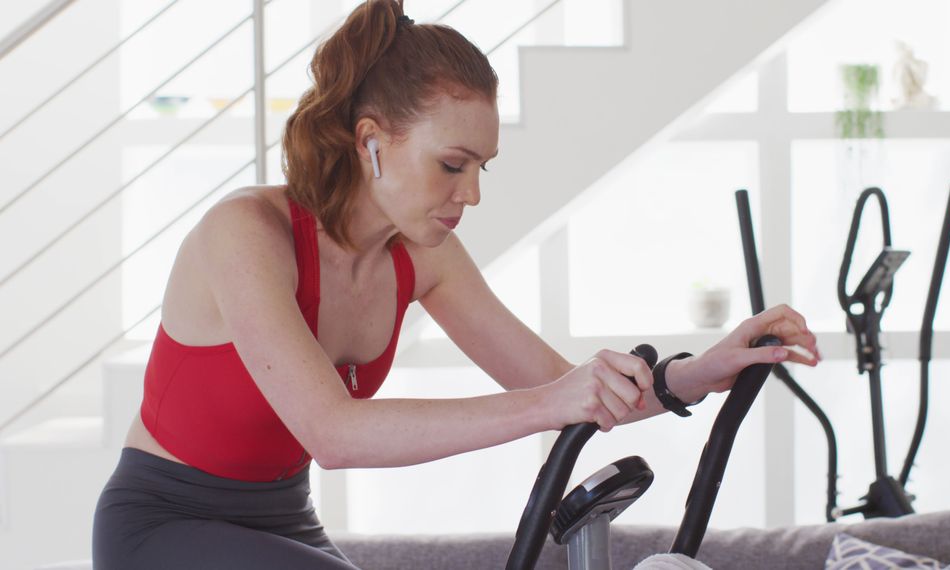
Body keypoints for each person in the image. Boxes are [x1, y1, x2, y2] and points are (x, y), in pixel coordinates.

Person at [91, 1, 820, 568]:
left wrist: (703, 371)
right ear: (372, 142)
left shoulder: (423, 255)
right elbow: (332, 433)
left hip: (284, 516)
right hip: (167, 521)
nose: (470, 195)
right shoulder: (246, 235)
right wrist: (550, 402)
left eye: (482, 169)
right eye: (452, 165)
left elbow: (563, 385)